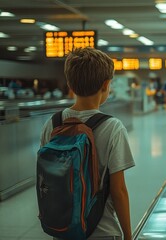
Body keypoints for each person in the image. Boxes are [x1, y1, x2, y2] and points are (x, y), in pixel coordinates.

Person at [40, 47, 135, 240]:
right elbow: (119, 190)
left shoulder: (53, 123)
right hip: (102, 231)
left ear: (70, 85)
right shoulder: (113, 127)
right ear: (106, 85)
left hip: (63, 229)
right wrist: (128, 235)